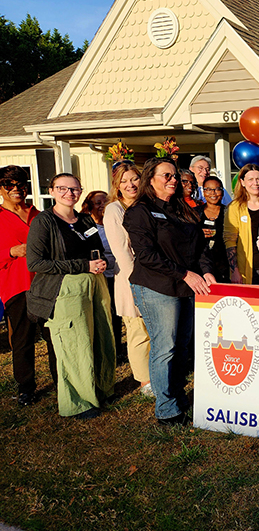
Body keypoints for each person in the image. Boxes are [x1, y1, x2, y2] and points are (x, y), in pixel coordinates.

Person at [124, 157, 216, 425]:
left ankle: (178, 398)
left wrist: (205, 270)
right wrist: (186, 274)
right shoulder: (139, 211)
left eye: (175, 175)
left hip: (186, 286)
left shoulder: (183, 209)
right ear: (150, 179)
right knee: (165, 347)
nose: (173, 179)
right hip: (157, 286)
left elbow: (199, 248)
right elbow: (147, 255)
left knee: (182, 346)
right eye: (166, 175)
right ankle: (167, 410)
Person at [27, 173, 116, 420]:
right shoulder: (44, 222)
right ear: (52, 190)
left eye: (75, 189)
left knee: (101, 336)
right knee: (75, 346)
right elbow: (36, 262)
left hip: (95, 284)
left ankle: (100, 388)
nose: (69, 193)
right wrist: (82, 266)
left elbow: (97, 249)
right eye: (62, 188)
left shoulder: (85, 220)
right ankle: (78, 402)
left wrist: (100, 263)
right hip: (65, 289)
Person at [0, 166, 57, 406]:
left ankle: (61, 380)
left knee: (53, 335)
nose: (16, 189)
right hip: (16, 285)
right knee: (23, 339)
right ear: (1, 188)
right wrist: (11, 251)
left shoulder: (39, 214)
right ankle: (26, 387)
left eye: (21, 185)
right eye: (9, 185)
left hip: (45, 284)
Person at [104, 162, 153, 395]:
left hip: (155, 274)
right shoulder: (115, 209)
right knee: (137, 330)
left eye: (134, 179)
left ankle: (157, 371)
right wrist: (138, 281)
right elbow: (121, 250)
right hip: (132, 278)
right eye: (124, 181)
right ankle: (144, 381)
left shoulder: (147, 205)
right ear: (117, 186)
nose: (130, 184)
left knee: (155, 329)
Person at [80, 190, 124, 359]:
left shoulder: (114, 222)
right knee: (102, 313)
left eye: (105, 202)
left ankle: (116, 349)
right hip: (99, 276)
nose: (102, 206)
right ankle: (102, 349)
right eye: (98, 203)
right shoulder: (87, 227)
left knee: (116, 313)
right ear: (89, 207)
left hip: (117, 274)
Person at [224, 164, 259, 285]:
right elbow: (230, 241)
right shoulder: (235, 208)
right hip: (247, 269)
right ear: (242, 182)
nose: (255, 183)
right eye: (250, 179)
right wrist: (234, 270)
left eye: (258, 179)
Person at [196, 175, 230, 283]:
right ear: (203, 191)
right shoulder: (194, 213)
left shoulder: (230, 212)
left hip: (225, 264)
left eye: (217, 189)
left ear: (223, 191)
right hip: (201, 266)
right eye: (208, 189)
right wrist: (198, 234)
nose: (213, 193)